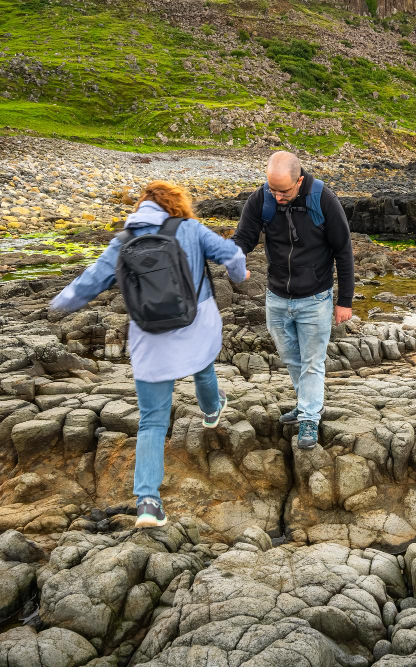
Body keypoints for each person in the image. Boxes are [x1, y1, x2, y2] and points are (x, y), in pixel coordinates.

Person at [48, 181, 249, 528]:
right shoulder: (188, 228)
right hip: (194, 325)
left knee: (152, 421)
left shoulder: (123, 241)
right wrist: (239, 274)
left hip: (150, 337)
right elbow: (231, 253)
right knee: (202, 365)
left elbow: (90, 282)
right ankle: (213, 408)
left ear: (141, 208)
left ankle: (147, 503)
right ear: (176, 204)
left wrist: (59, 303)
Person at [233, 151, 354, 450]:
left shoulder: (323, 199)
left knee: (313, 362)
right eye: (272, 189)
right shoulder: (261, 199)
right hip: (276, 297)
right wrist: (235, 260)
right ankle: (308, 405)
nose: (277, 196)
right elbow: (243, 238)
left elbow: (344, 250)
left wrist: (345, 300)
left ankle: (309, 418)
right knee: (291, 359)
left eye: (283, 191)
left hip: (315, 298)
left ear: (299, 180)